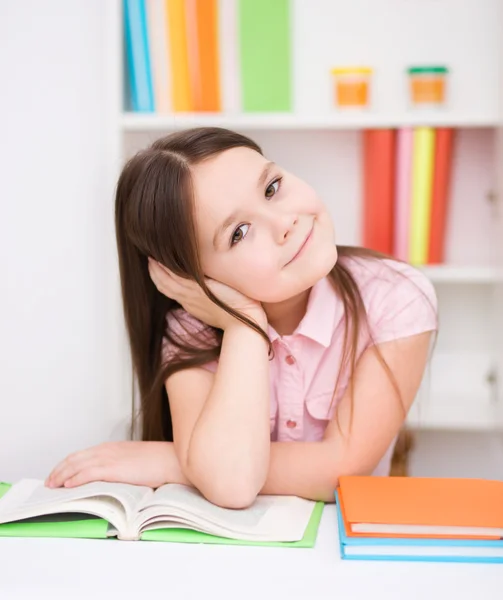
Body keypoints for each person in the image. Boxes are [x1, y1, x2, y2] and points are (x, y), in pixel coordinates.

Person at [46, 127, 437, 506]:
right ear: (194, 276)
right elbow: (232, 485)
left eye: (271, 188)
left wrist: (173, 462)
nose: (284, 223)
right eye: (239, 232)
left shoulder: (395, 296)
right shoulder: (191, 328)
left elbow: (344, 467)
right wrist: (243, 324)